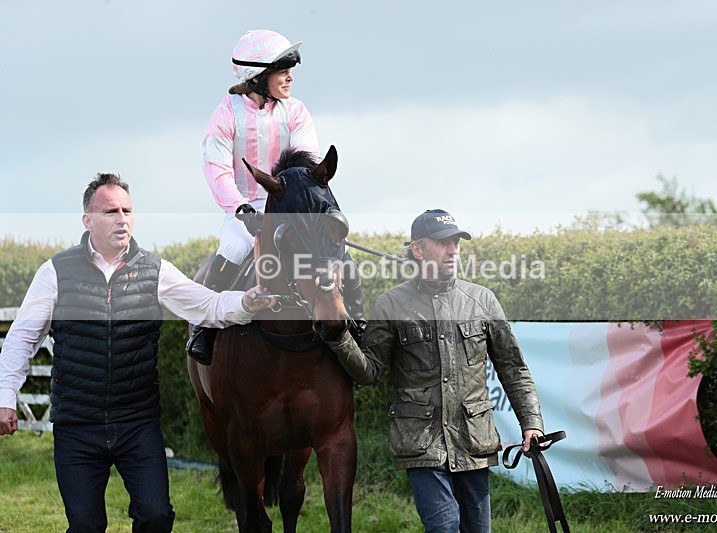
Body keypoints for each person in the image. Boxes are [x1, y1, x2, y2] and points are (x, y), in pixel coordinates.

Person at [0, 173, 274, 532]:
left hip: (137, 423)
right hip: (77, 425)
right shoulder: (55, 272)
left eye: (127, 210)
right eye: (110, 211)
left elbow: (206, 305)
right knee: (84, 525)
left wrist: (246, 301)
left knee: (156, 516)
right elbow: (22, 336)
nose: (122, 219)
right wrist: (6, 397)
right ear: (88, 220)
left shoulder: (154, 270)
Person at [325, 209, 545, 533]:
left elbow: (513, 368)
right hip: (421, 443)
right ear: (418, 249)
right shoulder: (390, 304)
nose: (453, 249)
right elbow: (369, 372)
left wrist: (532, 424)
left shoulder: (482, 300)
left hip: (474, 442)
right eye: (443, 242)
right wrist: (338, 336)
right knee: (444, 527)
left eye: (456, 241)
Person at [189, 28, 365, 362]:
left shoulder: (295, 110)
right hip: (244, 206)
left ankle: (356, 322)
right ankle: (204, 328)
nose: (289, 78)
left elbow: (306, 161)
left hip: (292, 206)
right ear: (256, 77)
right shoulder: (225, 115)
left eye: (290, 71)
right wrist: (240, 207)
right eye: (282, 71)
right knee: (234, 246)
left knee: (335, 248)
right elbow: (217, 169)